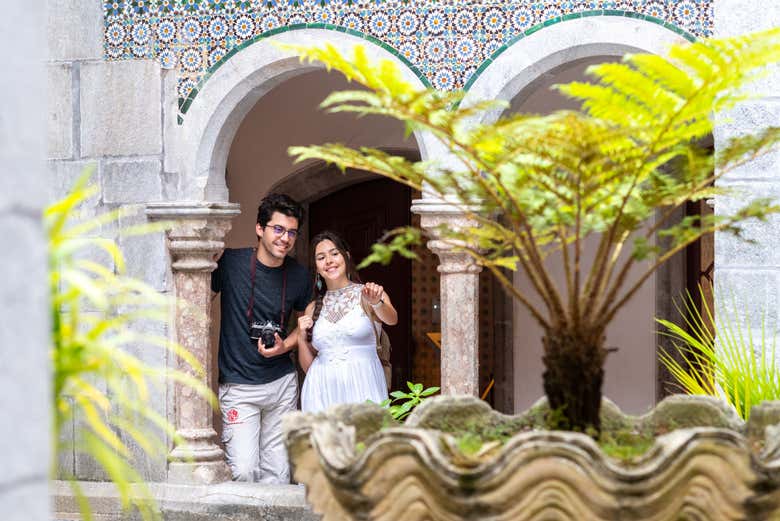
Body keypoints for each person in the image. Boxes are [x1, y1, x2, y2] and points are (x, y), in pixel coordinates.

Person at [211, 193, 311, 483]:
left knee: (278, 476)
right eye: (278, 229)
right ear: (259, 229)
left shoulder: (299, 276)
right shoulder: (230, 263)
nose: (285, 238)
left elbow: (308, 320)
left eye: (292, 232)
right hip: (239, 384)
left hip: (281, 384)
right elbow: (197, 297)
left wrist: (285, 345)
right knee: (243, 470)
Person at [297, 231, 398, 412]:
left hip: (364, 387)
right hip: (321, 393)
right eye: (321, 257)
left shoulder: (369, 293)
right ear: (317, 268)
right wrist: (300, 338)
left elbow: (392, 319)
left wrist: (377, 303)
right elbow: (309, 368)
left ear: (347, 256)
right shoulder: (312, 308)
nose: (329, 261)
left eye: (334, 254)